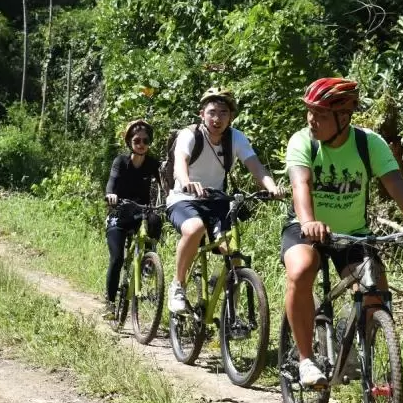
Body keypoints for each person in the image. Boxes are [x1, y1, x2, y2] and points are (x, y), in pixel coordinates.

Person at [282, 78, 403, 387]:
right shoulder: (303, 141)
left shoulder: (368, 143)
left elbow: (396, 185)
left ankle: (353, 343)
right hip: (306, 227)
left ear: (344, 118)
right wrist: (309, 222)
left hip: (352, 233)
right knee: (301, 271)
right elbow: (301, 184)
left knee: (375, 287)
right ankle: (305, 360)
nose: (313, 120)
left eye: (322, 115)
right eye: (310, 112)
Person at [167, 88, 281, 314]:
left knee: (232, 251)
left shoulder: (236, 137)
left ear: (231, 117)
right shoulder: (190, 135)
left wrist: (272, 187)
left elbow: (255, 166)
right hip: (184, 198)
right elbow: (180, 161)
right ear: (202, 114)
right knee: (194, 228)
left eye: (223, 113)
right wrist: (187, 181)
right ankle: (177, 286)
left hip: (217, 201)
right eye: (211, 112)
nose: (217, 118)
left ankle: (230, 310)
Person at [103, 119, 162, 318]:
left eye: (145, 140)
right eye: (137, 140)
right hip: (118, 214)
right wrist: (111, 195)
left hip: (139, 213)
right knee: (117, 258)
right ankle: (110, 303)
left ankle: (147, 262)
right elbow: (112, 182)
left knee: (155, 220)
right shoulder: (121, 162)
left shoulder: (153, 164)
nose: (141, 144)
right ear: (129, 142)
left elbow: (166, 183)